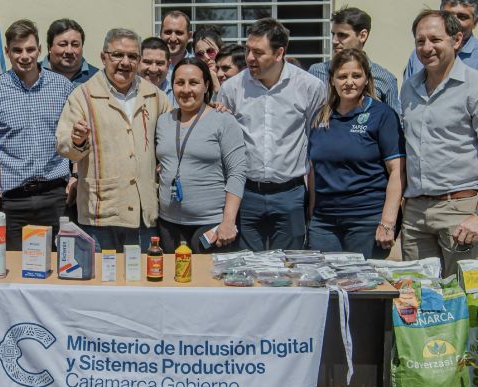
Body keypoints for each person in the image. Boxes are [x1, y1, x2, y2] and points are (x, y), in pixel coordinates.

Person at [400, 10, 478, 275]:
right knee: (418, 299)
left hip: (460, 211)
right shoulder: (408, 88)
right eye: (420, 41)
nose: (427, 48)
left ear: (457, 40)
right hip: (416, 212)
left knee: (463, 297)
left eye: (435, 39)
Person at [56, 28, 170, 251]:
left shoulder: (155, 96)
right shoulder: (83, 96)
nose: (125, 62)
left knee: (142, 282)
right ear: (103, 57)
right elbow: (64, 146)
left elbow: (174, 135)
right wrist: (77, 140)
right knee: (101, 282)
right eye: (118, 55)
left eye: (132, 56)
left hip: (143, 212)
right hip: (100, 212)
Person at [218, 18, 327, 251]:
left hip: (290, 195)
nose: (249, 58)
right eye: (248, 50)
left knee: (289, 270)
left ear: (279, 53)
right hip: (246, 195)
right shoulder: (231, 89)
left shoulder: (310, 87)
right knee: (246, 270)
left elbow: (316, 144)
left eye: (258, 52)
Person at [0, 20, 74, 251]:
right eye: (17, 50)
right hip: (11, 200)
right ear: (7, 52)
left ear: (39, 50)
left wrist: (76, 174)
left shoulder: (63, 87)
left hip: (56, 196)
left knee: (61, 268)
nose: (25, 56)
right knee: (16, 272)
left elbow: (76, 136)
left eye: (30, 49)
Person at [307, 49, 405, 259]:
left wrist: (388, 223)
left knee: (362, 288)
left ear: (366, 79)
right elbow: (314, 171)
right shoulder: (320, 117)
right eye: (342, 76)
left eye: (356, 76)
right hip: (324, 223)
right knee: (325, 286)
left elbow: (397, 171)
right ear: (332, 80)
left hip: (366, 220)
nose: (349, 82)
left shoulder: (382, 115)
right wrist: (312, 215)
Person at [155, 57, 246, 253]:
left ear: (206, 86)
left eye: (194, 83)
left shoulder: (223, 121)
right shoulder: (163, 121)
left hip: (210, 226)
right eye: (180, 83)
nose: (186, 89)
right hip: (168, 224)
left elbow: (237, 173)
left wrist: (228, 222)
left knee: (206, 282)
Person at [308, 6, 401, 114]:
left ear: (362, 36)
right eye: (333, 34)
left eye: (342, 35)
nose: (334, 41)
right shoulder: (316, 72)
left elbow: (393, 124)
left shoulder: (385, 79)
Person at [403, 0, 478, 93]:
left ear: (475, 22)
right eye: (448, 15)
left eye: (462, 17)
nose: (454, 22)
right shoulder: (420, 55)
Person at [42, 19, 99, 86]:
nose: (69, 51)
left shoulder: (97, 78)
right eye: (63, 44)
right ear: (49, 47)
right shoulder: (33, 75)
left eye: (75, 45)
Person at [160, 10, 194, 84]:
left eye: (179, 33)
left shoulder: (198, 67)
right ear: (160, 34)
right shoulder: (149, 67)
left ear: (189, 36)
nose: (173, 38)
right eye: (168, 32)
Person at [139, 37, 174, 104]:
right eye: (147, 62)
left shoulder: (178, 90)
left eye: (159, 63)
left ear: (168, 65)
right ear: (138, 62)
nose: (153, 69)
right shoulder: (127, 89)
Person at [192, 26, 223, 93]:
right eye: (200, 54)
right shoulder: (194, 82)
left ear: (221, 50)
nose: (206, 57)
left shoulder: (233, 76)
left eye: (210, 51)